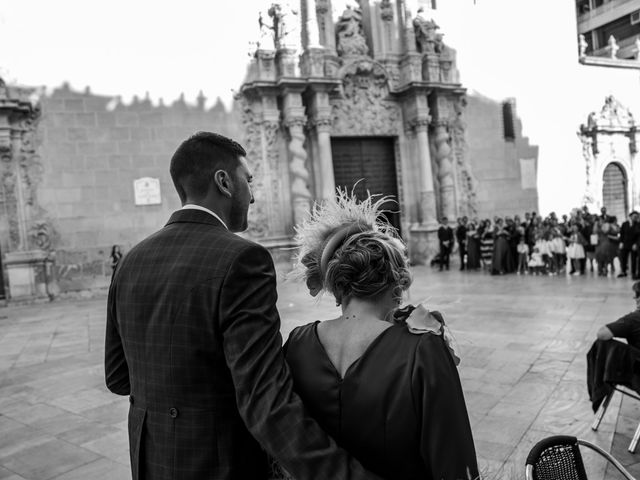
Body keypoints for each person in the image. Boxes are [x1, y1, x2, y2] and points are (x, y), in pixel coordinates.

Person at [104, 132, 379, 480]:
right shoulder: (242, 259)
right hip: (220, 464)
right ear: (224, 182)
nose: (253, 194)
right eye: (248, 181)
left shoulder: (131, 260)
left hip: (152, 461)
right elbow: (265, 399)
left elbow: (117, 377)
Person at [285, 191, 479, 480]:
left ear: (337, 288)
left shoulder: (298, 342)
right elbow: (454, 462)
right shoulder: (422, 350)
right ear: (397, 285)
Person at [597, 281, 640, 350]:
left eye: (636, 296)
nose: (635, 299)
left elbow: (602, 334)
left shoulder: (633, 319)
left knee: (600, 343)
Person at [618, 211, 640, 278]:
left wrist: (636, 244)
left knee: (633, 259)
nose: (635, 218)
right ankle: (623, 271)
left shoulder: (638, 224)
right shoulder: (625, 224)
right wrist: (621, 242)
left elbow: (639, 236)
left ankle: (633, 273)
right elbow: (622, 234)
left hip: (633, 244)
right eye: (634, 216)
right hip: (625, 243)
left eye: (637, 217)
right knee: (623, 258)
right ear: (630, 216)